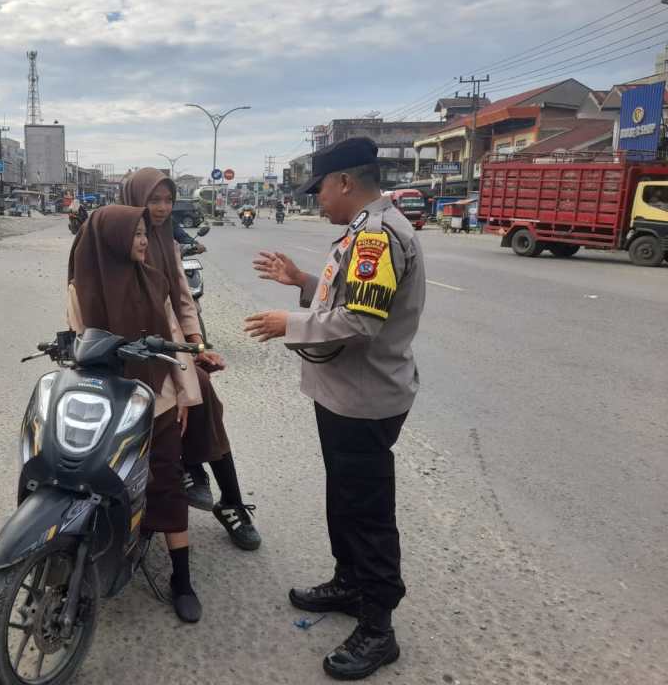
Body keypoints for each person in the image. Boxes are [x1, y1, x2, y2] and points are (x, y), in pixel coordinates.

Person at [244, 137, 425, 680]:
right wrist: (301, 282)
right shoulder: (361, 232)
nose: (317, 199)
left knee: (368, 513)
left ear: (345, 182)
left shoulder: (377, 236)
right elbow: (348, 301)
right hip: (343, 394)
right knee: (344, 498)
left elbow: (360, 324)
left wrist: (286, 323)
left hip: (364, 399)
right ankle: (349, 583)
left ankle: (378, 627)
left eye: (320, 188)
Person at [67, 204, 204, 623]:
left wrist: (183, 396)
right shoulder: (82, 287)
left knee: (166, 478)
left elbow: (173, 338)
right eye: (136, 234)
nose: (145, 241)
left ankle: (181, 578)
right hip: (105, 401)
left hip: (155, 397)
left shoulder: (155, 280)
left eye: (146, 233)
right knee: (81, 474)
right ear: (110, 239)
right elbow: (77, 347)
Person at [122, 168, 261, 551]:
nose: (163, 208)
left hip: (165, 347)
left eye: (168, 200)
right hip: (120, 351)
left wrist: (197, 348)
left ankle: (227, 499)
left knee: (203, 393)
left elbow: (182, 302)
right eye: (155, 200)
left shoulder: (167, 241)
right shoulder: (113, 235)